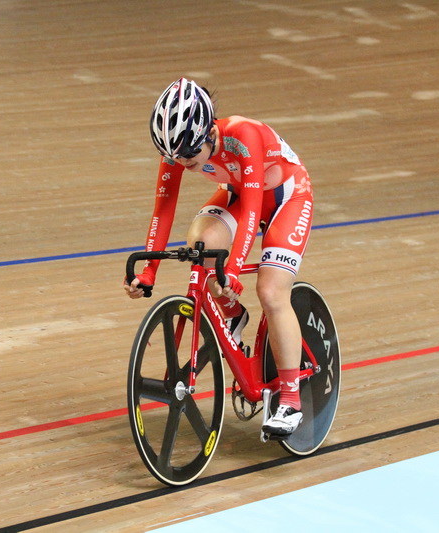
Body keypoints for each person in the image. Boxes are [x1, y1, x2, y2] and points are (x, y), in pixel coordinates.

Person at [123, 77, 314, 437]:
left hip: (287, 197)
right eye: (174, 158)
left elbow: (256, 202)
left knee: (271, 292)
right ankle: (232, 314)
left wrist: (236, 269)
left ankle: (290, 399)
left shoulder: (243, 136)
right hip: (239, 192)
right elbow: (164, 208)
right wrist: (149, 270)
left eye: (188, 157)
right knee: (200, 244)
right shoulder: (178, 150)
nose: (182, 163)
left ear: (210, 133)